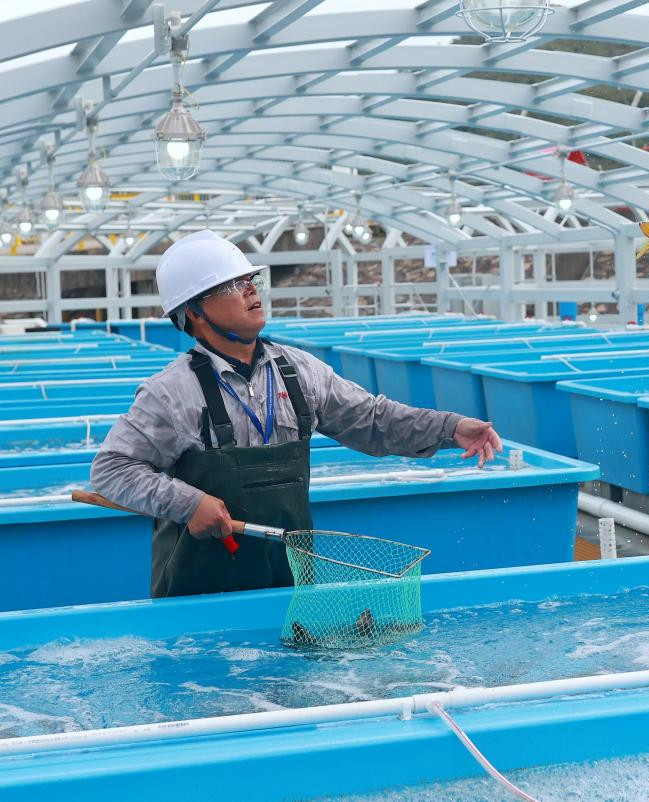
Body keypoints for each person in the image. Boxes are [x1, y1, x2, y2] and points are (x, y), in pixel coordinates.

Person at [90, 230, 503, 599]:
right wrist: (187, 503)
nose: (251, 291)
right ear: (194, 313)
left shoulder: (299, 371)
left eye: (250, 280)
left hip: (289, 587)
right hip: (200, 597)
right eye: (232, 285)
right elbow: (111, 469)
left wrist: (451, 428)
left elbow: (374, 420)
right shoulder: (171, 392)